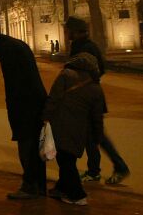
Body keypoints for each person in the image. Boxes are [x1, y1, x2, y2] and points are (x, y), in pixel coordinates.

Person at [0, 31, 47, 199]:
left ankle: (30, 186)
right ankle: (39, 185)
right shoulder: (17, 45)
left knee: (26, 146)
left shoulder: (8, 50)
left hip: (24, 105)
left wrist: (13, 108)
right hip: (36, 101)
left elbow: (14, 83)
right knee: (34, 146)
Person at [64, 16, 130, 185]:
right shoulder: (81, 46)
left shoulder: (87, 48)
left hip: (90, 99)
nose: (67, 33)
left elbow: (98, 70)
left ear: (77, 31)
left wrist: (82, 85)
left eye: (69, 30)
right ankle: (94, 171)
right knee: (90, 137)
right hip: (86, 98)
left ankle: (119, 167)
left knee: (97, 136)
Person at [43, 52, 106, 206]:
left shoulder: (66, 75)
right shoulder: (95, 86)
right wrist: (97, 137)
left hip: (62, 124)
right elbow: (97, 117)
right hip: (80, 130)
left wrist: (44, 117)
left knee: (65, 162)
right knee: (67, 159)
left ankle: (77, 195)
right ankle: (61, 188)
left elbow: (54, 98)